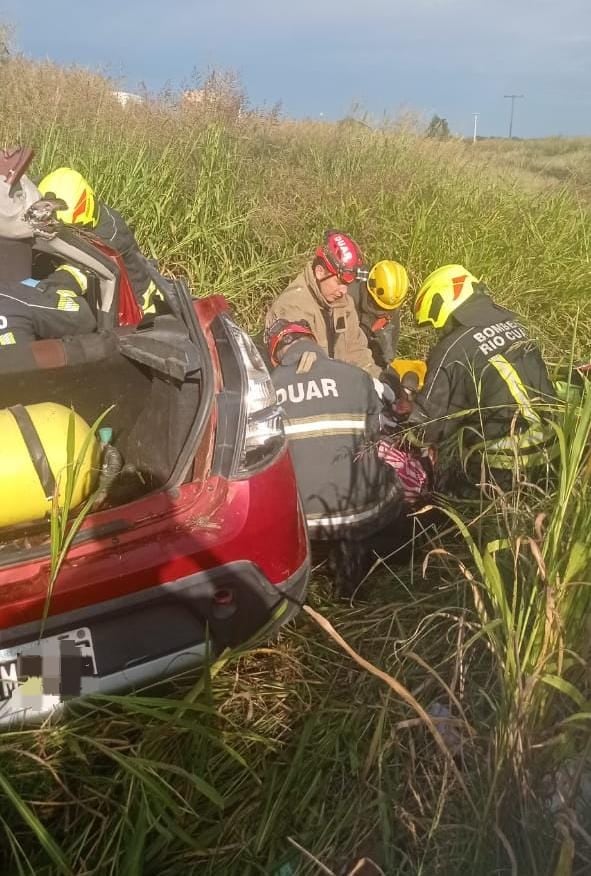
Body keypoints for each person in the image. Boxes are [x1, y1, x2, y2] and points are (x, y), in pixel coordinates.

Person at [266, 318, 407, 593]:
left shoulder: (266, 392)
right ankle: (387, 558)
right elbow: (383, 430)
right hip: (367, 515)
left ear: (275, 357)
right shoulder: (356, 376)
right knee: (392, 477)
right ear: (313, 342)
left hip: (305, 525)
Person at [408, 264, 556, 490]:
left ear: (441, 304)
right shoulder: (517, 327)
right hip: (555, 453)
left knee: (440, 501)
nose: (439, 333)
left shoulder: (452, 348)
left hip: (502, 469)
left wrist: (406, 408)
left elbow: (429, 429)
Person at [265, 230, 384, 379]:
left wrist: (377, 380)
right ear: (320, 272)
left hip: (338, 387)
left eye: (347, 285)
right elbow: (296, 372)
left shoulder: (344, 303)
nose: (344, 291)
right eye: (339, 283)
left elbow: (356, 351)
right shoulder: (291, 308)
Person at [38, 167, 159, 313]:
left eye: (74, 230)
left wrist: (45, 290)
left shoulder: (111, 235)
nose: (71, 234)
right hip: (98, 294)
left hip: (134, 309)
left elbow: (81, 270)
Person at [348, 259, 409, 367]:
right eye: (379, 306)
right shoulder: (348, 290)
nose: (383, 313)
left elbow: (387, 350)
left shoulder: (391, 299)